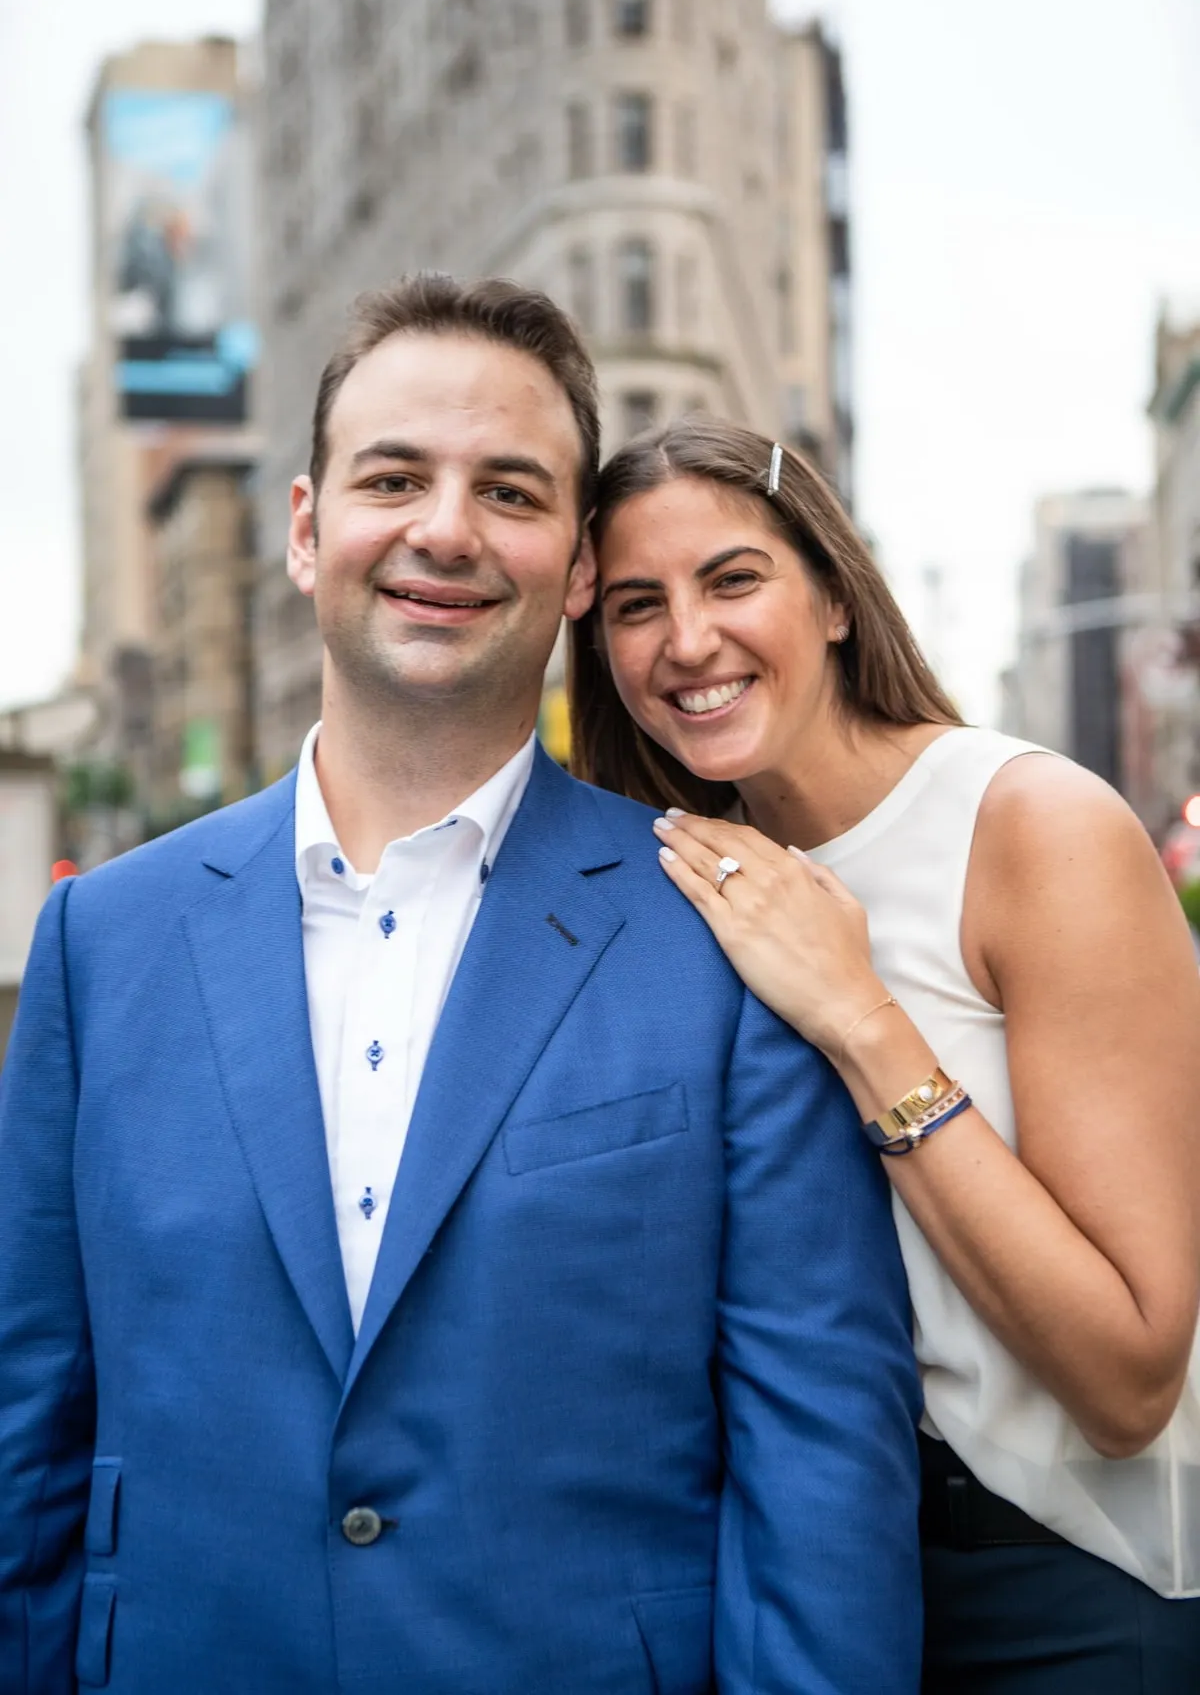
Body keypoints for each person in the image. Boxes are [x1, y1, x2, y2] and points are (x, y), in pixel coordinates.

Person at [0, 278, 922, 1695]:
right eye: (393, 480)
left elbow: (821, 1467)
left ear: (576, 568)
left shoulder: (729, 934)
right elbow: (29, 1430)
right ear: (306, 530)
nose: (445, 529)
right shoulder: (100, 942)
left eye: (509, 490)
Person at [570, 414, 1200, 1694]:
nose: (687, 639)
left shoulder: (1034, 829)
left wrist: (862, 1019)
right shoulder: (680, 875)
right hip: (803, 1577)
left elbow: (1130, 1374)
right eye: (637, 605)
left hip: (1065, 1580)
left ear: (836, 599)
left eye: (733, 579)